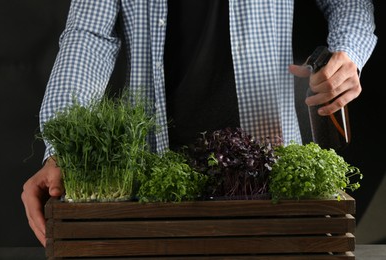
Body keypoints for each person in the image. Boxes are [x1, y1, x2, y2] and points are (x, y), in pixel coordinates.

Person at [21, 0, 377, 247]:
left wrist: (348, 52)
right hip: (158, 174)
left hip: (271, 167)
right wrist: (62, 148)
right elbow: (88, 34)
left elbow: (349, 4)